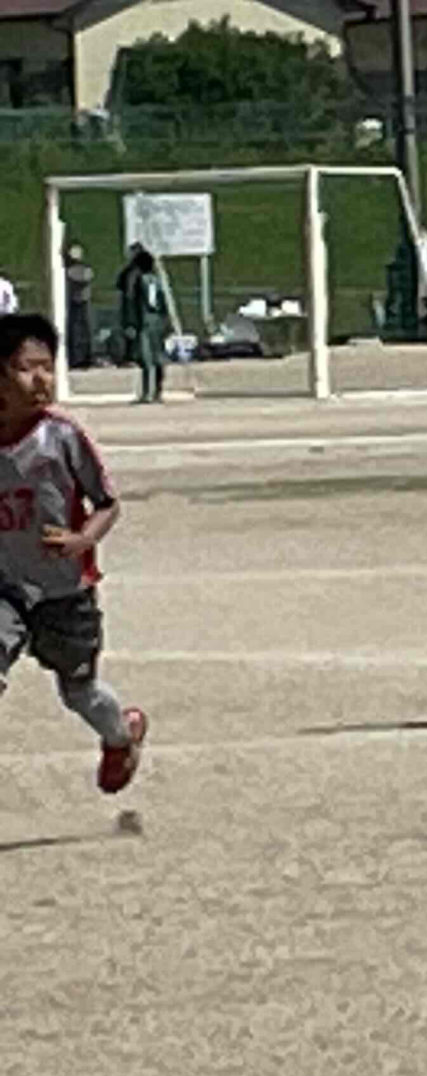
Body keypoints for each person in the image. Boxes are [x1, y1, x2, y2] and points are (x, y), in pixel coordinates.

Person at [0, 314, 146, 794]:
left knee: (79, 692)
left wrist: (82, 540)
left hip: (64, 590)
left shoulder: (61, 437)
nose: (41, 379)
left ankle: (121, 736)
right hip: (6, 587)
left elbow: (107, 504)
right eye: (27, 368)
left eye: (48, 367)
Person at [117, 247, 169, 404]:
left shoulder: (138, 279)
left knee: (146, 358)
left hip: (144, 321)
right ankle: (158, 391)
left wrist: (129, 323)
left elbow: (131, 302)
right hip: (157, 320)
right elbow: (163, 302)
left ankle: (147, 392)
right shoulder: (157, 279)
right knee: (158, 357)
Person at [62, 243, 94, 369]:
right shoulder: (80, 270)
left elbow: (84, 276)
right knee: (77, 331)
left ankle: (83, 357)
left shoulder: (75, 271)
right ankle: (78, 358)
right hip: (76, 303)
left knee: (81, 331)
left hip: (80, 302)